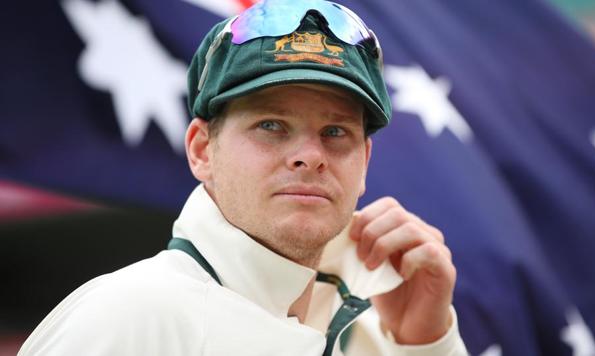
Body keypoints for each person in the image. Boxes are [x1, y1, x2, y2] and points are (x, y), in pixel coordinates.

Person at [19, 1, 468, 355]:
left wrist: (425, 344)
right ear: (201, 150)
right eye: (271, 125)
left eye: (335, 132)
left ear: (365, 162)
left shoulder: (378, 333)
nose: (311, 157)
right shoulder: (130, 316)